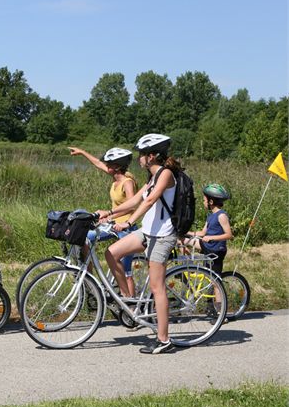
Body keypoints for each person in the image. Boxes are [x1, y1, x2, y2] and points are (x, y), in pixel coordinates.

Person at [97, 133, 179, 354]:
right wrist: (110, 213)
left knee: (157, 287)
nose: (139, 158)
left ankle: (164, 340)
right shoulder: (151, 178)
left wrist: (130, 222)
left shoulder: (166, 174)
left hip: (163, 235)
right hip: (148, 232)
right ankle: (128, 302)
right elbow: (135, 200)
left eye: (142, 154)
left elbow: (150, 200)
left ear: (151, 156)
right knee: (111, 253)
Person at [69, 146, 139, 295]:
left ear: (117, 166)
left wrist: (109, 216)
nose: (106, 166)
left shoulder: (127, 182)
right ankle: (89, 280)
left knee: (126, 272)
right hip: (113, 225)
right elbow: (97, 163)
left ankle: (132, 306)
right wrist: (82, 152)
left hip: (126, 228)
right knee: (85, 238)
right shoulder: (115, 178)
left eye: (109, 164)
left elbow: (132, 206)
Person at [184, 184, 233, 273]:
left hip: (216, 250)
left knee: (214, 281)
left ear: (211, 202)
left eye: (204, 200)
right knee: (180, 239)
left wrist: (211, 237)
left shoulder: (221, 215)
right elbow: (203, 233)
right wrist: (188, 232)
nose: (203, 202)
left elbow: (229, 235)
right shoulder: (210, 215)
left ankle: (218, 287)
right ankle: (189, 264)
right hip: (208, 246)